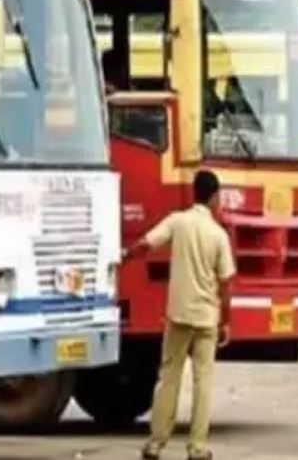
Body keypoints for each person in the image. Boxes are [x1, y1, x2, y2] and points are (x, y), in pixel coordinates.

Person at [125, 170, 235, 460]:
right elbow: (225, 284)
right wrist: (226, 321)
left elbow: (147, 244)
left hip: (178, 315)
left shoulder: (178, 222)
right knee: (203, 382)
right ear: (214, 197)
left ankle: (156, 442)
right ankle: (197, 447)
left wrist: (124, 256)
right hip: (206, 319)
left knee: (169, 377)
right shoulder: (218, 235)